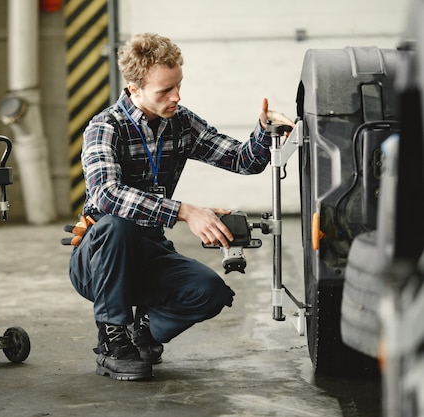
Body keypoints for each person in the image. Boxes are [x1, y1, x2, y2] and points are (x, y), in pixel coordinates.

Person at [67, 32, 294, 381]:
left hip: (149, 249)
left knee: (210, 291)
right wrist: (185, 211)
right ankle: (113, 340)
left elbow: (242, 160)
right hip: (100, 258)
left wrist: (266, 130)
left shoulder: (181, 122)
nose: (177, 96)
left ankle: (140, 335)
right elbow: (107, 195)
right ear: (134, 88)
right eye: (164, 91)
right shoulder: (104, 127)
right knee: (116, 224)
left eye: (178, 86)